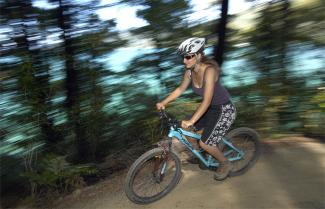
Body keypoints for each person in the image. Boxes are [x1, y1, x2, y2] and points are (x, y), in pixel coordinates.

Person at [156, 37, 237, 181]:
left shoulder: (209, 71)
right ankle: (202, 153)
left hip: (224, 109)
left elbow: (206, 100)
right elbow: (180, 89)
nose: (184, 61)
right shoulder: (189, 72)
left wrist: (192, 120)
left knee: (205, 142)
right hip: (208, 109)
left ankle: (225, 163)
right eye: (183, 57)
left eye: (188, 57)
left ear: (199, 55)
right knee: (185, 131)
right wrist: (164, 102)